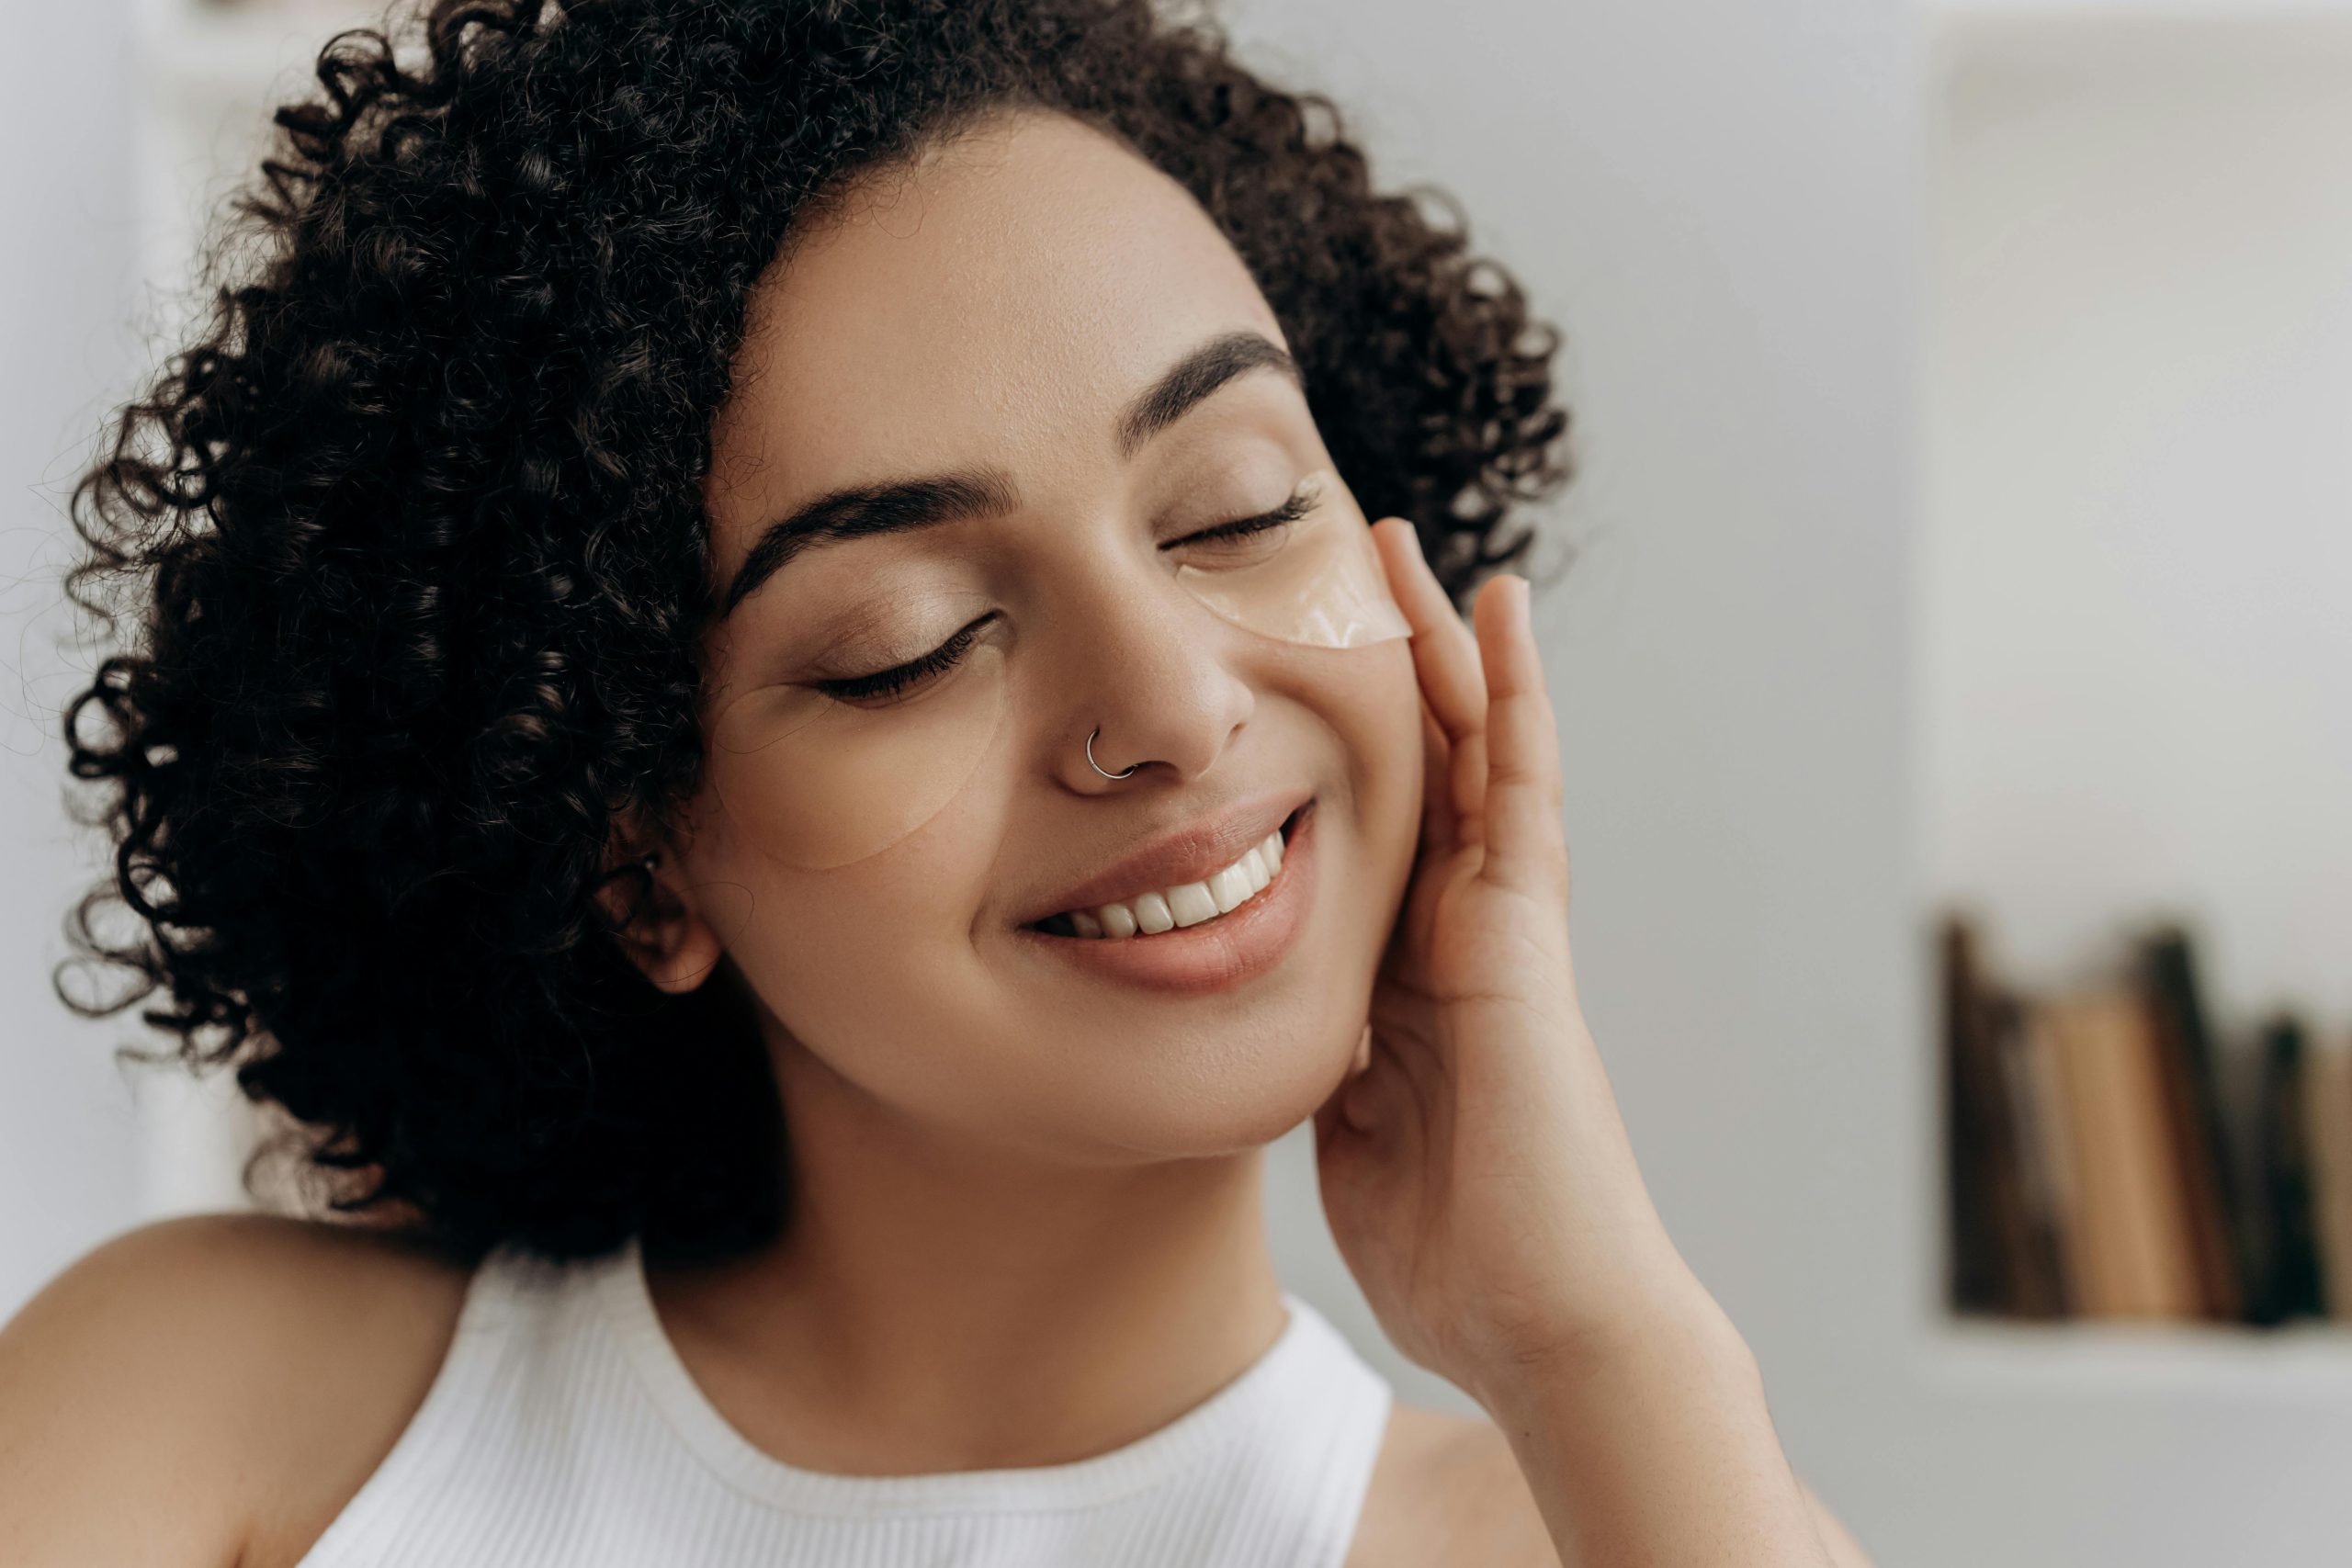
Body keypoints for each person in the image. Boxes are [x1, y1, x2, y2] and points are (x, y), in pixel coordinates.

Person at [0, 2, 1874, 1563]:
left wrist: (1586, 1333)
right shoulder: (231, 1418)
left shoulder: (1585, 1515)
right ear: (636, 857)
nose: (1168, 704)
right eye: (902, 641)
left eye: (1235, 506)